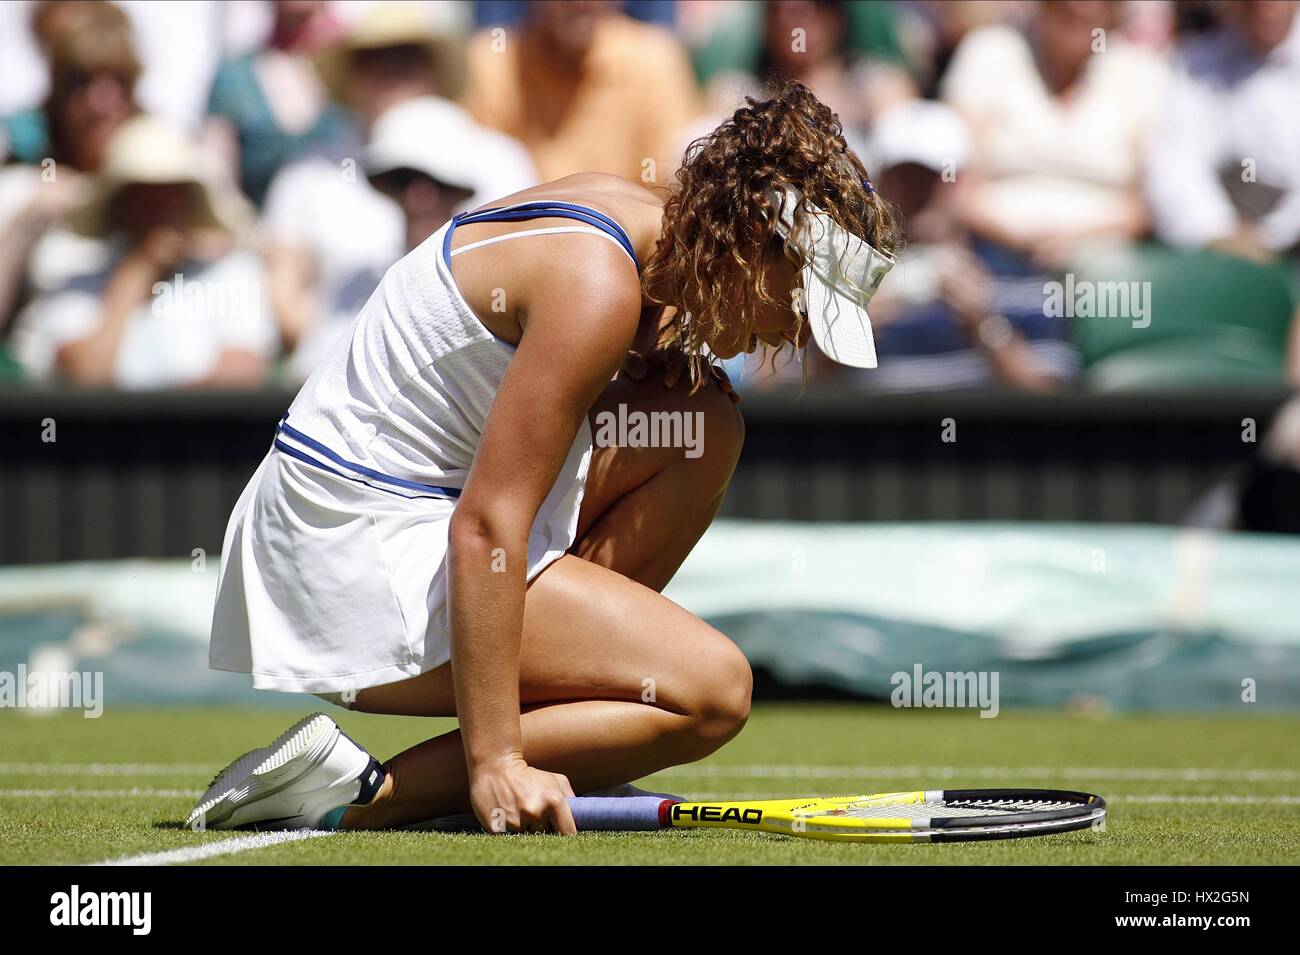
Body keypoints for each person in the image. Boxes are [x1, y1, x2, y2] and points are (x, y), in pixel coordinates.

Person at [187, 82, 901, 835]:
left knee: (703, 422)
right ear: (753, 239)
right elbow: (486, 527)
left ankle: (566, 734)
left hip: (357, 523)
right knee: (712, 690)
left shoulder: (628, 226)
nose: (793, 333)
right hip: (344, 562)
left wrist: (642, 352)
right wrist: (495, 759)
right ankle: (370, 791)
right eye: (799, 300)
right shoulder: (595, 285)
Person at [8, 114, 275, 388]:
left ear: (186, 199)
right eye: (141, 193)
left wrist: (157, 419)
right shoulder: (75, 283)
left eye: (167, 192)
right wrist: (139, 271)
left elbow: (240, 374)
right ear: (118, 204)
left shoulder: (233, 275)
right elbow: (87, 376)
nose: (155, 206)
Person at [464, 0, 700, 187]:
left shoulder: (655, 60)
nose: (579, 3)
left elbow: (667, 184)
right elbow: (481, 183)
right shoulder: (494, 63)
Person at [1145, 0, 1300, 263]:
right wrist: (1220, 232)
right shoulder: (1196, 63)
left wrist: (1273, 237)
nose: (1263, 5)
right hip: (1221, 254)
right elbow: (1177, 161)